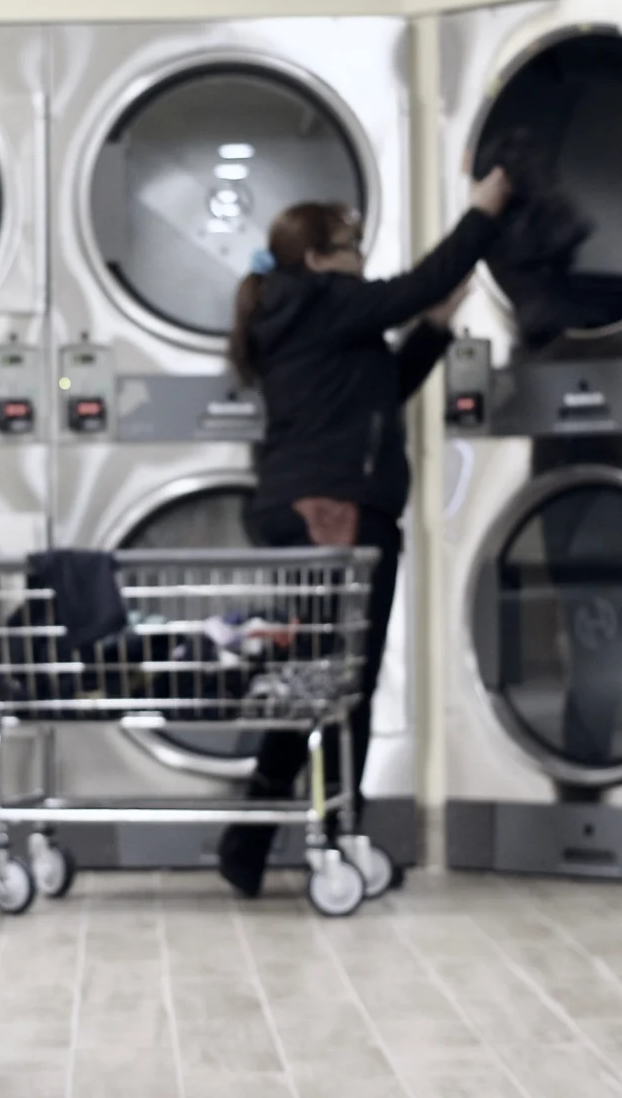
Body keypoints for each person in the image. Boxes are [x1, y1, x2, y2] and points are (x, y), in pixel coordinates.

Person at [216, 166, 513, 898]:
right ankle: (328, 834)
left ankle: (260, 842)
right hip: (333, 513)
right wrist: (479, 216)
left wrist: (435, 329)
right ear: (318, 257)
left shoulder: (308, 313)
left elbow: (379, 389)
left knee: (323, 680)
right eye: (349, 248)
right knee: (341, 682)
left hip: (318, 506)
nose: (359, 261)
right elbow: (416, 281)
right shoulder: (319, 299)